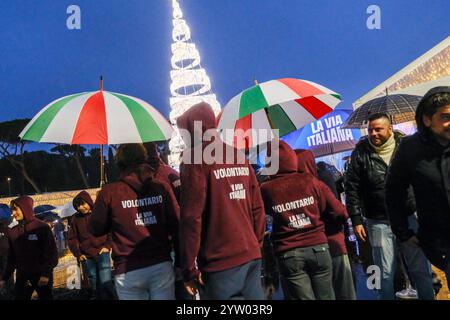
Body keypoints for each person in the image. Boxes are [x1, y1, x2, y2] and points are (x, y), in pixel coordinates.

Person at [177, 102, 266, 300]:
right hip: (250, 255)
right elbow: (257, 207)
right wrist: (255, 242)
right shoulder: (237, 155)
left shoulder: (195, 160)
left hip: (221, 263)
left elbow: (191, 218)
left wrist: (189, 268)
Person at [345, 112, 434, 300]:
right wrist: (356, 219)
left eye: (378, 129)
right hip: (378, 220)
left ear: (390, 129)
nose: (373, 134)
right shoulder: (360, 154)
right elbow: (352, 188)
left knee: (420, 270)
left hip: (408, 216)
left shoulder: (406, 147)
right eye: (370, 130)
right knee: (384, 274)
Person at [88, 143, 180, 300]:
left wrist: (101, 201)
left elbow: (96, 229)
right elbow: (176, 226)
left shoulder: (110, 192)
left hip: (128, 269)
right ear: (144, 158)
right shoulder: (161, 187)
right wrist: (181, 263)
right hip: (161, 265)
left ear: (119, 163)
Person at [260, 141, 347, 300]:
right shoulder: (310, 180)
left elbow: (259, 218)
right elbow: (339, 210)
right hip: (318, 248)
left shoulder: (266, 189)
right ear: (292, 158)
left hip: (288, 253)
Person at [386, 87, 450, 291]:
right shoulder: (410, 149)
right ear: (427, 120)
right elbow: (393, 192)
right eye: (445, 117)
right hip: (442, 241)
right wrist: (402, 231)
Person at [296, 149, 356, 300]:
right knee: (343, 289)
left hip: (305, 246)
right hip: (332, 238)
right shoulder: (321, 178)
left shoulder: (291, 183)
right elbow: (336, 210)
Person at [0, 196, 58, 300]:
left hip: (41, 275)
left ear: (25, 208)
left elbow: (51, 254)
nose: (13, 213)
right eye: (12, 210)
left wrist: (45, 274)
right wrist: (4, 278)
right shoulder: (13, 232)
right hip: (22, 277)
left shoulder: (42, 227)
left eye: (16, 209)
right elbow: (11, 258)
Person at [68, 191, 113, 300]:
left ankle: (110, 297)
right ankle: (97, 297)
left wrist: (107, 246)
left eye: (83, 204)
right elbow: (72, 238)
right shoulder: (75, 219)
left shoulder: (99, 214)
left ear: (89, 202)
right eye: (78, 205)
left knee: (105, 280)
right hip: (87, 255)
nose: (81, 208)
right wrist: (78, 253)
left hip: (102, 251)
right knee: (93, 279)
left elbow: (110, 231)